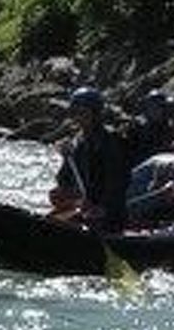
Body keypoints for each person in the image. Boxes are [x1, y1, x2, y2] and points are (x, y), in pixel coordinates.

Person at [50, 86, 133, 231]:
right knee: (57, 196)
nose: (78, 118)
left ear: (96, 114)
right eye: (75, 113)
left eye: (82, 113)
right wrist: (66, 158)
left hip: (109, 212)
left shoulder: (111, 141)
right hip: (87, 208)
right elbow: (64, 180)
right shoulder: (79, 142)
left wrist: (103, 208)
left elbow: (119, 182)